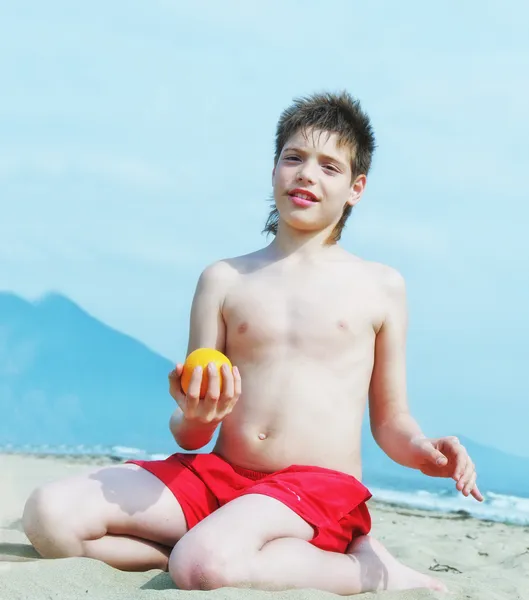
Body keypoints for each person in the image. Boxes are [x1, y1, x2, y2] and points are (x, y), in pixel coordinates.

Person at [22, 91, 482, 595]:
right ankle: (216, 545)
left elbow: (390, 420)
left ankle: (372, 570)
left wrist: (423, 451)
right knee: (50, 517)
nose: (307, 174)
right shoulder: (224, 279)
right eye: (294, 158)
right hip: (219, 479)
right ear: (273, 170)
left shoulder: (381, 287)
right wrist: (196, 415)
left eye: (330, 166)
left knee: (202, 569)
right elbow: (191, 433)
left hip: (316, 490)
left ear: (356, 188)